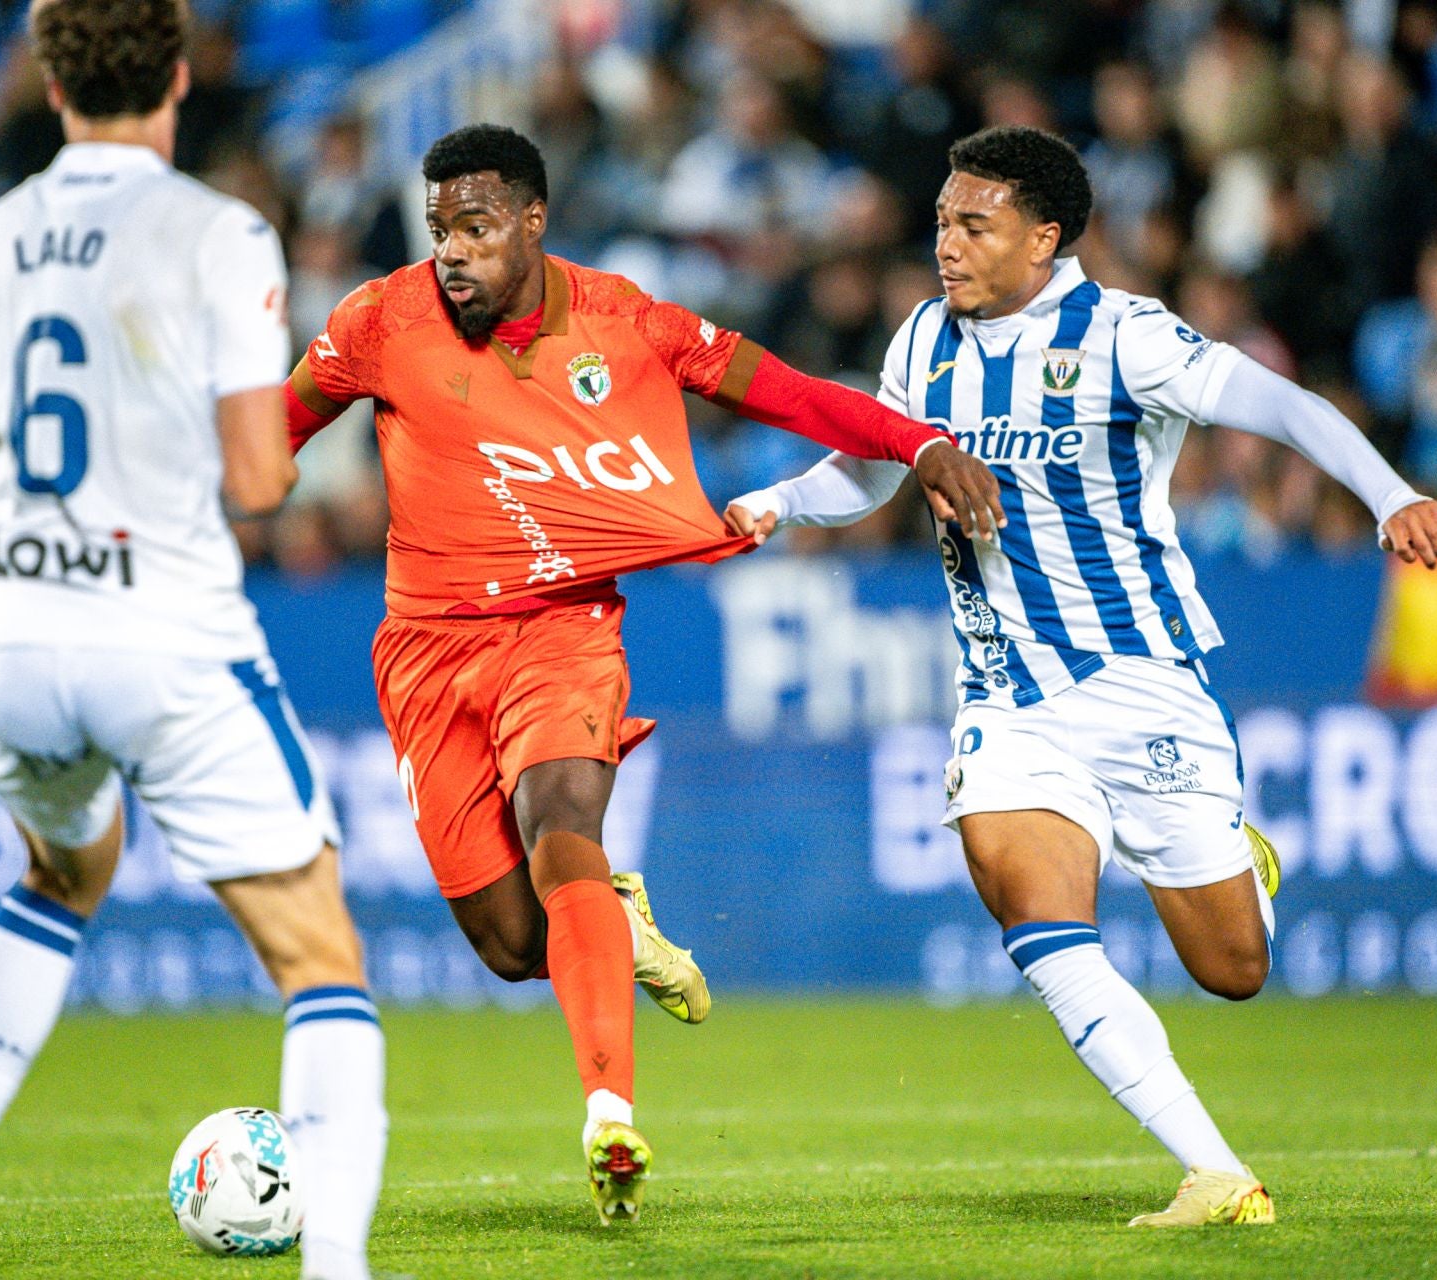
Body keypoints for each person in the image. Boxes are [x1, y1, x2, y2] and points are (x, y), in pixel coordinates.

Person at [726, 125, 1437, 1227]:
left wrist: (1389, 489)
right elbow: (872, 465)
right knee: (1032, 906)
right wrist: (779, 503)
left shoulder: (1125, 336)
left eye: (975, 224)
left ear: (1045, 235)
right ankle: (1217, 1171)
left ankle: (1241, 861)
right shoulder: (923, 340)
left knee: (1232, 966)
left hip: (1143, 679)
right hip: (1006, 694)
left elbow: (1286, 407)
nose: (947, 246)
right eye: (939, 222)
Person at [286, 123, 998, 1225]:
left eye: (474, 228)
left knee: (562, 818)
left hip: (563, 631)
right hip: (425, 652)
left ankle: (608, 1110)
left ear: (532, 220)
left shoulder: (626, 321)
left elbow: (792, 394)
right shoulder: (381, 320)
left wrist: (919, 441)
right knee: (512, 940)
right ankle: (613, 914)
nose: (452, 255)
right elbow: (270, 431)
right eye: (439, 233)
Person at [0, 3, 385, 1279]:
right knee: (320, 955)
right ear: (183, 76)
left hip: (13, 635)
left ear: (47, 82)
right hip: (161, 630)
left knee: (59, 874)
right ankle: (340, 1267)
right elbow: (261, 478)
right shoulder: (220, 231)